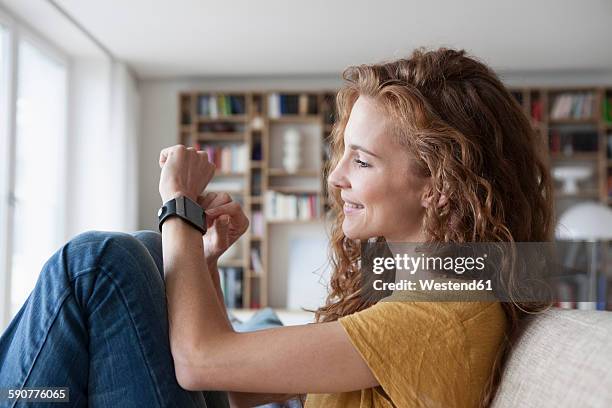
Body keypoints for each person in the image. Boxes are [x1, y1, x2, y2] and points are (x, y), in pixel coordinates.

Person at [0, 47, 553, 408]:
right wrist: (206, 259)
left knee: (98, 262)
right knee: (140, 255)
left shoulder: (443, 314)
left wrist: (179, 207)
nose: (336, 177)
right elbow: (234, 386)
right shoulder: (422, 291)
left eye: (361, 161)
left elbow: (199, 364)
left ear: (436, 184)